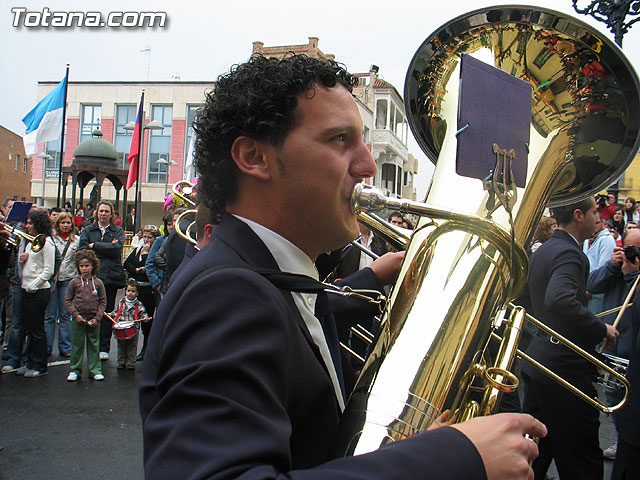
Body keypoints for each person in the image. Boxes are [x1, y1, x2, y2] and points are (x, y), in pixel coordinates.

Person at [139, 54, 545, 480]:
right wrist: (452, 456)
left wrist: (373, 277)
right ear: (254, 157)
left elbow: (302, 333)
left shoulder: (260, 273)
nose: (368, 166)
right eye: (339, 140)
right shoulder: (227, 294)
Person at [521, 196, 619, 480]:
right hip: (563, 369)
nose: (597, 217)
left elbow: (527, 299)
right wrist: (602, 329)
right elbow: (560, 298)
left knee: (534, 457)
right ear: (578, 215)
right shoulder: (570, 253)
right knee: (582, 461)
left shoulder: (545, 250)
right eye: (593, 212)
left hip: (539, 362)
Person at [587, 229, 640, 461]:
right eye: (628, 248)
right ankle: (622, 438)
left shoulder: (633, 275)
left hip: (632, 350)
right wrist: (613, 265)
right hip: (612, 347)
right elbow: (591, 284)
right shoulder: (615, 269)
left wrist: (633, 274)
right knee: (612, 398)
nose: (631, 254)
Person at [78, 200, 125, 361]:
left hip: (110, 278)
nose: (103, 214)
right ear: (96, 213)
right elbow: (83, 249)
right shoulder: (88, 230)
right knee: (91, 311)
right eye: (101, 211)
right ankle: (92, 346)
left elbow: (118, 248)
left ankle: (104, 347)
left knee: (107, 313)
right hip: (93, 277)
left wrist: (95, 245)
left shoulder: (117, 230)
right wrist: (106, 246)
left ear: (111, 214)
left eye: (106, 211)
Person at [15, 210, 56, 378]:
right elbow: (27, 264)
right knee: (29, 328)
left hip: (38, 290)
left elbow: (48, 270)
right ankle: (29, 362)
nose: (27, 226)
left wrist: (34, 285)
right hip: (26, 288)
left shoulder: (47, 243)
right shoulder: (29, 241)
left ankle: (40, 365)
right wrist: (21, 259)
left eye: (30, 223)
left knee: (37, 329)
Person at [64, 249, 106, 381]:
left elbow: (103, 301)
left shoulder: (98, 283)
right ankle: (75, 369)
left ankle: (95, 370)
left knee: (94, 344)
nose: (84, 269)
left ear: (93, 266)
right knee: (77, 344)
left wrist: (98, 317)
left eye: (87, 266)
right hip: (78, 318)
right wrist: (75, 314)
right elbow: (67, 300)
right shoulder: (74, 282)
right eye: (81, 266)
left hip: (94, 319)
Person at [45, 212, 79, 357]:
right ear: (57, 224)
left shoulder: (77, 240)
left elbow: (79, 261)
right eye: (62, 222)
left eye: (68, 223)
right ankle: (46, 347)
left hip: (68, 279)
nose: (65, 225)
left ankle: (65, 347)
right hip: (52, 280)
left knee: (66, 314)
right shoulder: (50, 240)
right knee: (50, 315)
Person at [124, 226, 158, 360]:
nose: (146, 240)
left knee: (146, 320)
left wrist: (145, 256)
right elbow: (127, 264)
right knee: (132, 319)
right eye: (145, 237)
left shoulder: (154, 251)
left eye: (150, 237)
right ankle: (129, 351)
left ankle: (146, 348)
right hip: (136, 288)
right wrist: (136, 269)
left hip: (148, 290)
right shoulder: (138, 249)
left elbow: (149, 267)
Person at [108, 279, 149, 370]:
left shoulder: (139, 305)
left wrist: (145, 318)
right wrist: (109, 314)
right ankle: (121, 362)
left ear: (137, 293)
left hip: (133, 329)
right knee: (121, 346)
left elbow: (143, 314)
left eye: (133, 291)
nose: (130, 293)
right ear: (125, 291)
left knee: (132, 347)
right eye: (128, 291)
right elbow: (116, 312)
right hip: (121, 327)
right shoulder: (122, 302)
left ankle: (130, 363)